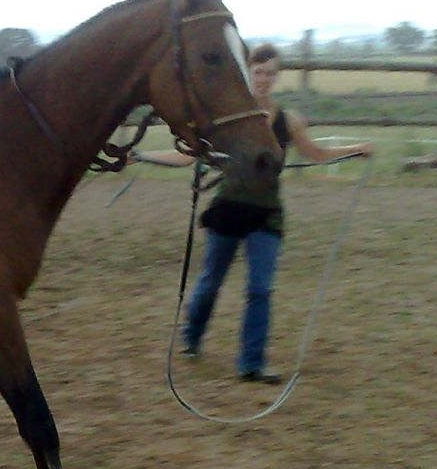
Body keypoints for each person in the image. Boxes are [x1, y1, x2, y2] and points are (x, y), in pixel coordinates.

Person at [130, 43, 374, 383]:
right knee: (210, 283)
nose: (263, 79)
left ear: (277, 76)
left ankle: (251, 363)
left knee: (260, 289)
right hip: (228, 211)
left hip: (266, 215)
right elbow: (187, 157)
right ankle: (191, 336)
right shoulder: (226, 118)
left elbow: (316, 154)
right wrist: (139, 155)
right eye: (258, 72)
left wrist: (356, 150)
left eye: (269, 73)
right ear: (247, 72)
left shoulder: (288, 121)